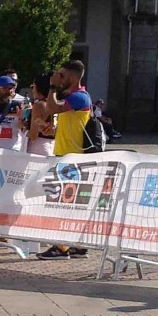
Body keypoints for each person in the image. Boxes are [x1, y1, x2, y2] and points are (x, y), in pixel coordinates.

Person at [37, 60, 93, 260]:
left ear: (73, 78)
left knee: (63, 203)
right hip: (67, 154)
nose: (58, 78)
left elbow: (51, 108)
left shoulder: (79, 97)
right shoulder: (74, 98)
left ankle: (61, 247)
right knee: (70, 204)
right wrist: (52, 131)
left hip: (72, 158)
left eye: (61, 75)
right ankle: (77, 245)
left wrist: (51, 86)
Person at [25, 73, 56, 157]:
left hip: (38, 147)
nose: (32, 90)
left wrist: (23, 128)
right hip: (53, 146)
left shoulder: (39, 105)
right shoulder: (57, 104)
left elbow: (33, 135)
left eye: (33, 87)